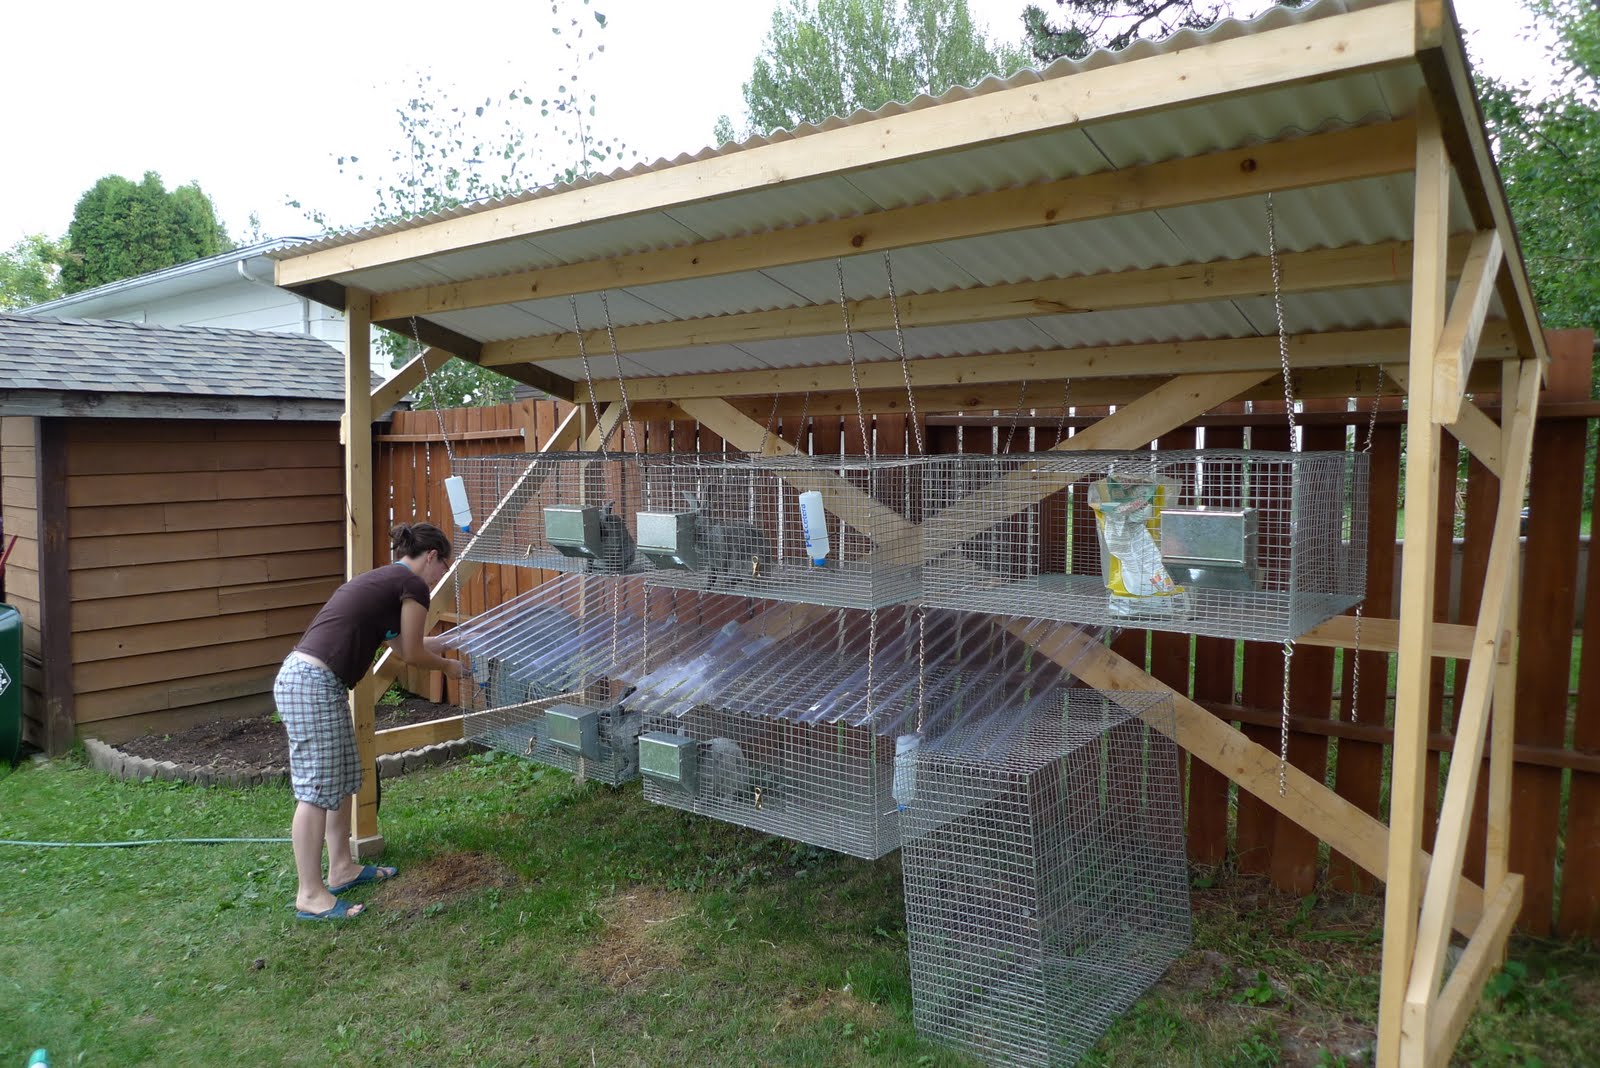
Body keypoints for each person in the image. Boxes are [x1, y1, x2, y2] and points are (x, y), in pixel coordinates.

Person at [272, 522, 469, 920]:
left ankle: (342, 867)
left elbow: (402, 644)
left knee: (344, 776)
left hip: (313, 680)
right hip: (311, 682)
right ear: (431, 556)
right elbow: (412, 655)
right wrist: (449, 668)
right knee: (316, 788)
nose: (440, 576)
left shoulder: (390, 581)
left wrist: (457, 639)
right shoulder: (412, 586)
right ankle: (309, 894)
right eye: (442, 566)